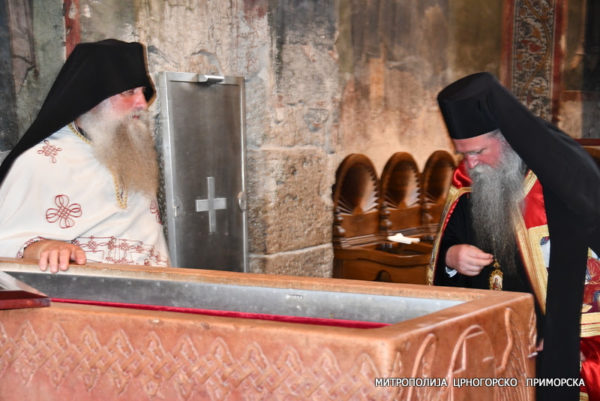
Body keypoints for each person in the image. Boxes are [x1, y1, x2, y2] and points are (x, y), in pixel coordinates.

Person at [428, 72, 600, 401]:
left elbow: (584, 265)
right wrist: (451, 257)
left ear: (507, 138)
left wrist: (562, 336)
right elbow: (446, 245)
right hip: (483, 337)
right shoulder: (468, 180)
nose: (471, 164)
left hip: (550, 338)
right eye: (462, 154)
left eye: (478, 151)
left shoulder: (562, 179)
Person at [0, 39, 169, 273]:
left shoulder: (134, 156)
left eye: (142, 92)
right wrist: (41, 248)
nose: (142, 103)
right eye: (129, 92)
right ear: (92, 97)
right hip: (76, 292)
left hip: (148, 290)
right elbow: (6, 241)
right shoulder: (40, 162)